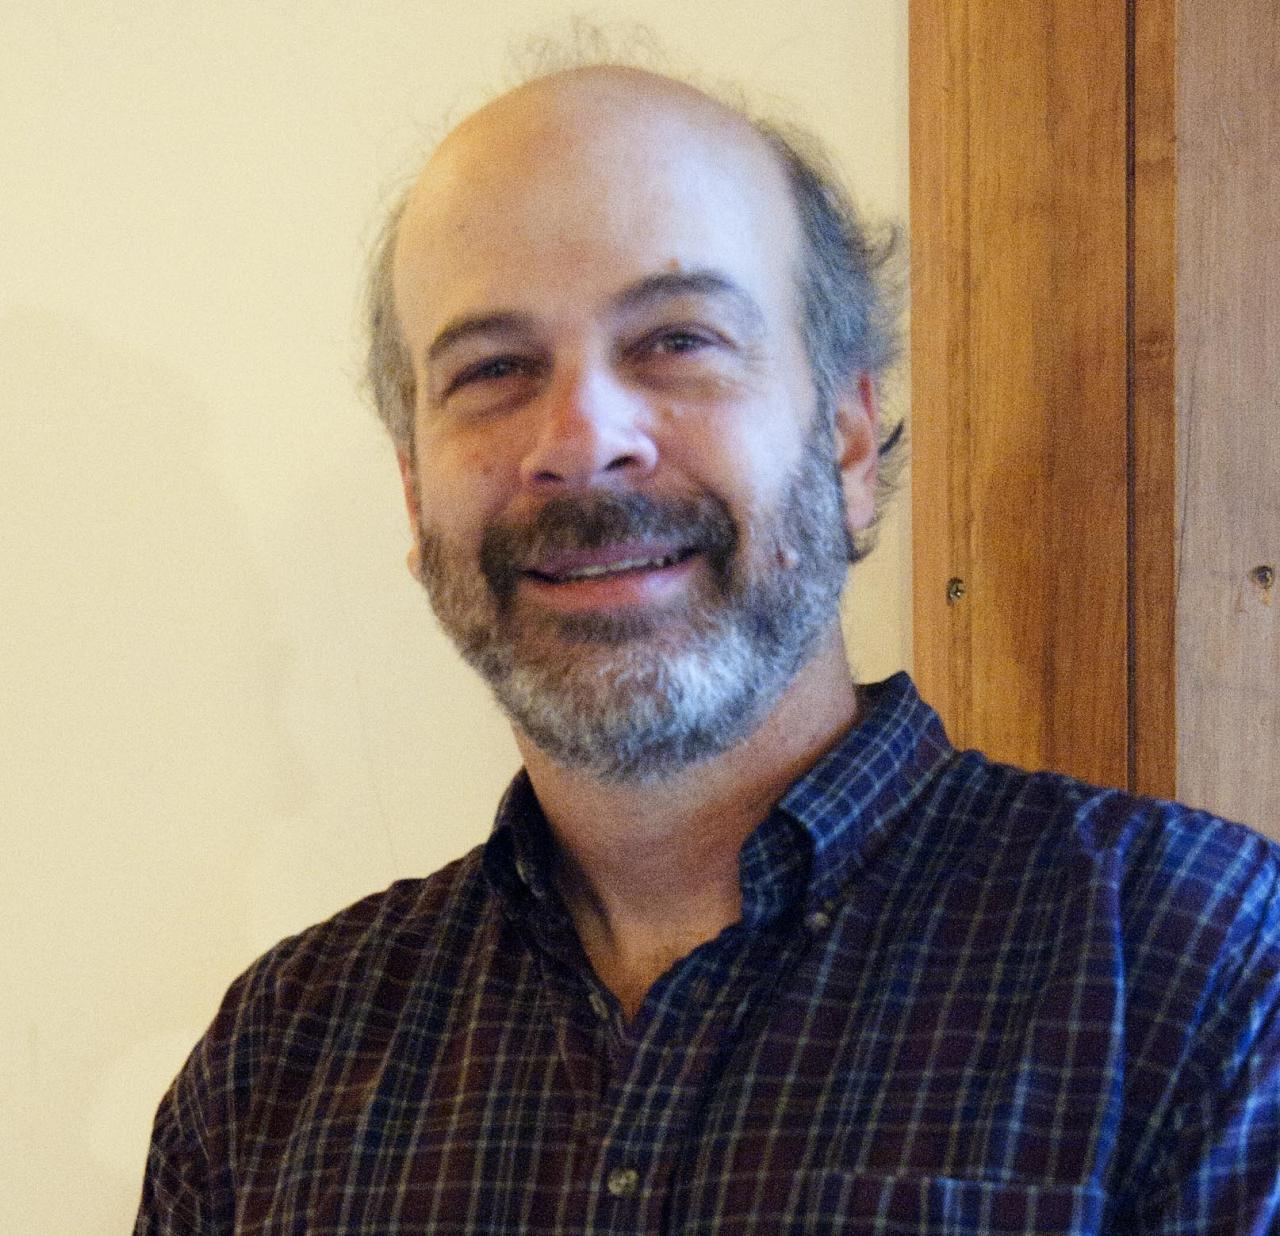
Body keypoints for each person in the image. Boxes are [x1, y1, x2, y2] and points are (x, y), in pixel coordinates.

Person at [136, 64, 1280, 1235]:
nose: (582, 441)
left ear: (843, 438)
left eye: (677, 338)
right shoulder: (271, 1066)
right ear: (413, 490)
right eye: (491, 370)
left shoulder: (1203, 968)